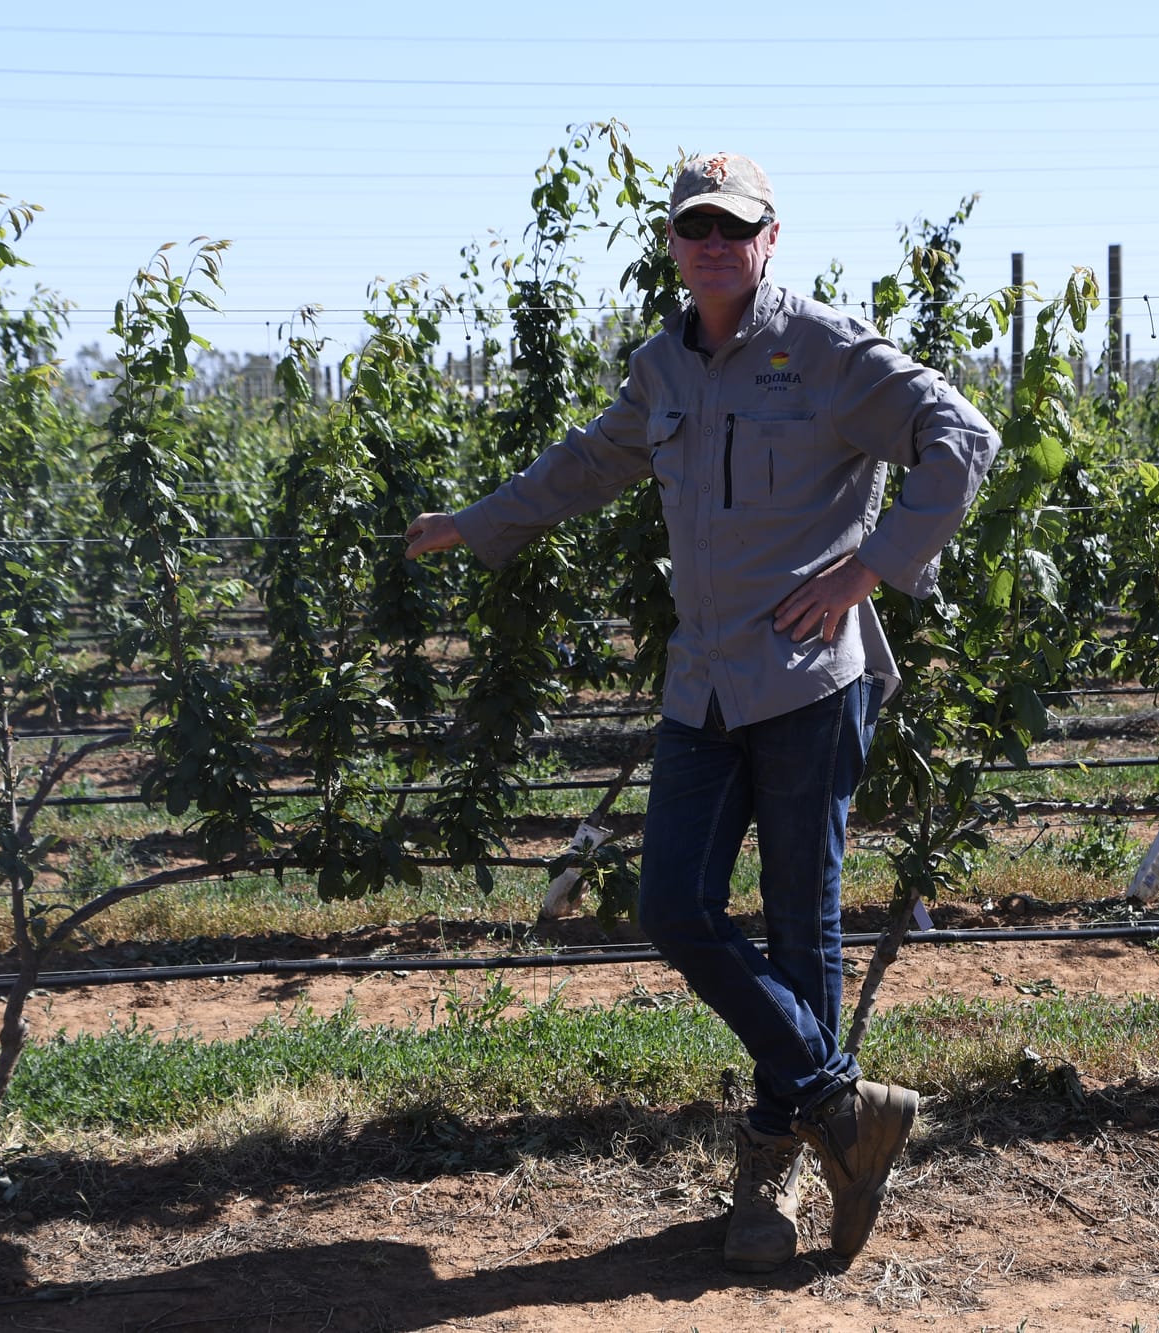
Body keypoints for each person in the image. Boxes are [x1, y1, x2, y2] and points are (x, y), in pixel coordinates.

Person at [405, 152, 999, 1271]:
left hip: (810, 680)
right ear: (672, 246)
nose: (715, 244)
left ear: (771, 237)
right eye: (696, 228)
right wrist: (480, 520)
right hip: (704, 679)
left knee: (798, 923)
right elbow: (589, 462)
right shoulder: (662, 369)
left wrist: (867, 568)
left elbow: (960, 438)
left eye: (736, 226)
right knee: (672, 903)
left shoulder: (825, 350)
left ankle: (767, 1182)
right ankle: (842, 1106)